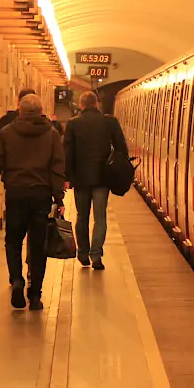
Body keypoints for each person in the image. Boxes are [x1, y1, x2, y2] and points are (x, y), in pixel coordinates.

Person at [0, 93, 66, 310]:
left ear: (19, 111)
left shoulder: (7, 133)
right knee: (38, 245)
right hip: (41, 196)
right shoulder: (52, 134)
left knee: (13, 240)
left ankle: (17, 280)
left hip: (16, 193)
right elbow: (57, 168)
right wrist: (59, 197)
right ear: (41, 112)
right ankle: (36, 294)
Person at [63, 90, 129, 270]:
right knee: (100, 218)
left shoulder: (73, 124)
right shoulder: (109, 122)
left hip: (81, 179)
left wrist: (67, 177)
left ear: (81, 105)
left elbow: (67, 153)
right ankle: (96, 256)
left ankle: (82, 253)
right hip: (102, 178)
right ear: (96, 104)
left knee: (81, 216)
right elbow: (122, 149)